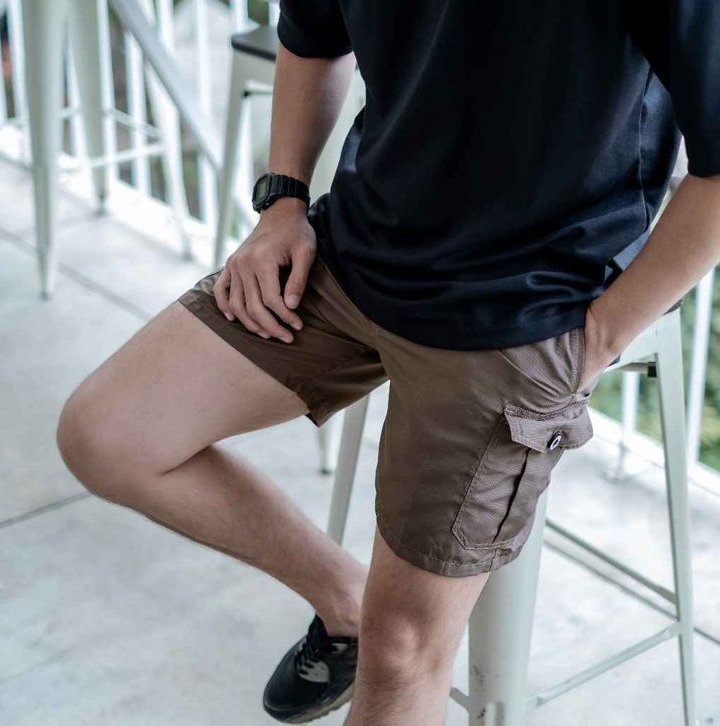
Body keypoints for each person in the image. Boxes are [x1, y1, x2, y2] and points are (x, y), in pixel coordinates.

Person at [56, 1, 720, 723]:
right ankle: (346, 602)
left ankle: (376, 626)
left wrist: (601, 337)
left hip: (520, 306)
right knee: (106, 433)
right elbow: (313, 34)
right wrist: (282, 203)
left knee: (400, 657)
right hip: (355, 248)